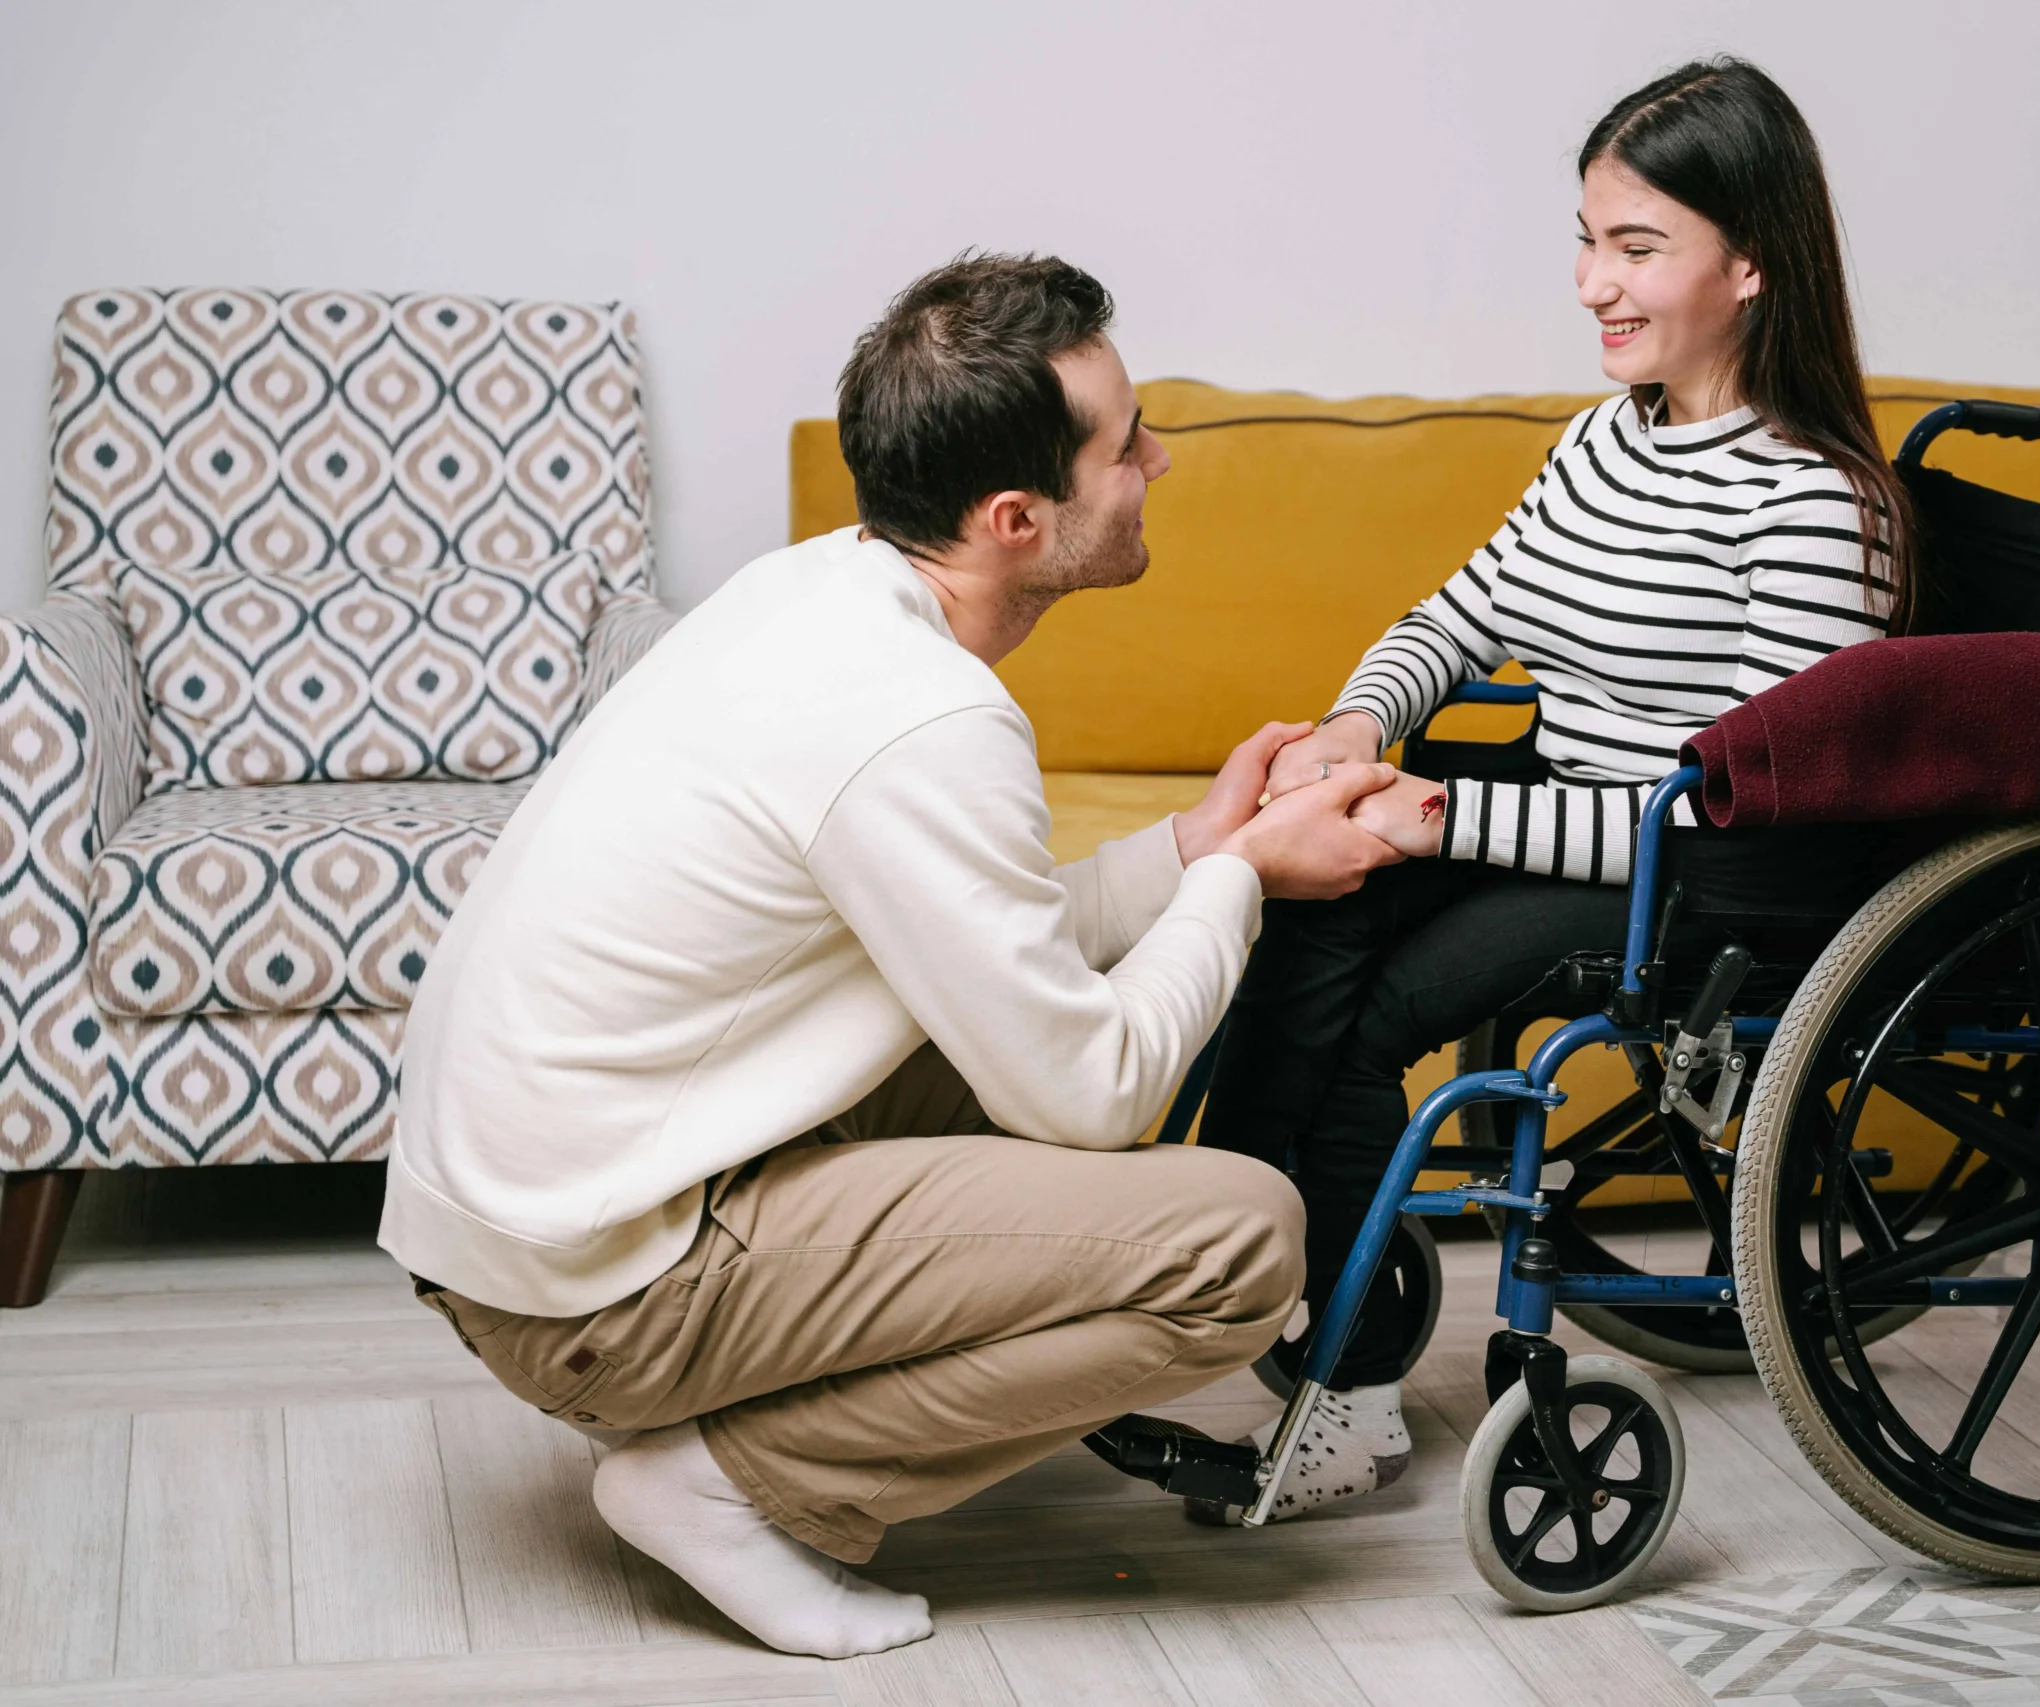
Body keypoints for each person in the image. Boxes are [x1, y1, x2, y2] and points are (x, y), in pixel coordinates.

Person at [379, 254, 1404, 1658]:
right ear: (1016, 520)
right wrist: (1241, 880)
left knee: (1044, 1039)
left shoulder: (815, 595)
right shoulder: (923, 719)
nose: (1158, 462)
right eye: (1127, 445)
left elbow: (995, 939)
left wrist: (1194, 844)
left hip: (545, 1219)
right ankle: (730, 1481)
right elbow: (1095, 1093)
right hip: (595, 1292)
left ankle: (734, 1431)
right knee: (1239, 1242)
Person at [1193, 57, 1919, 1522]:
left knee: (1368, 1012)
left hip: (1690, 875)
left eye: (1636, 247)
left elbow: (1730, 809)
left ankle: (1336, 1390)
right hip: (1564, 811)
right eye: (1587, 242)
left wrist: (1442, 817)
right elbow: (1463, 613)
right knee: (1293, 906)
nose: (1593, 283)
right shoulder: (1606, 439)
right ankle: (1233, 1264)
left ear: (1752, 262)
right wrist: (1360, 724)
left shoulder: (1812, 506)